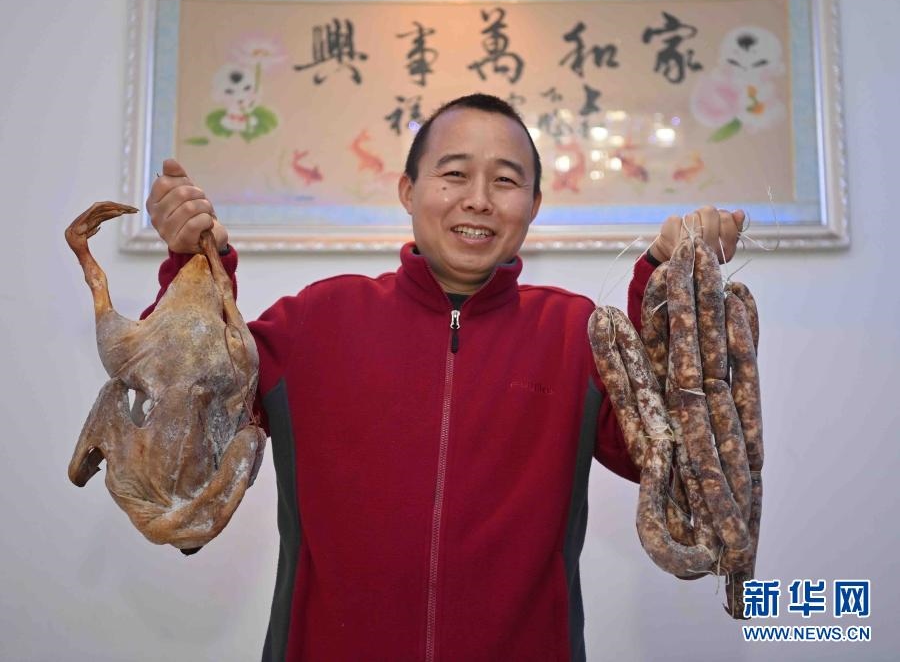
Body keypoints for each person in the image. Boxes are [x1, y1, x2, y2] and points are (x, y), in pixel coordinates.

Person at [145, 94, 744, 662]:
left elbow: (676, 466)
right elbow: (184, 450)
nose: (478, 199)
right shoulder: (315, 321)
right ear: (408, 191)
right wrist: (194, 271)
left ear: (534, 204)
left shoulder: (576, 335)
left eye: (505, 181)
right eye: (454, 174)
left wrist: (666, 286)